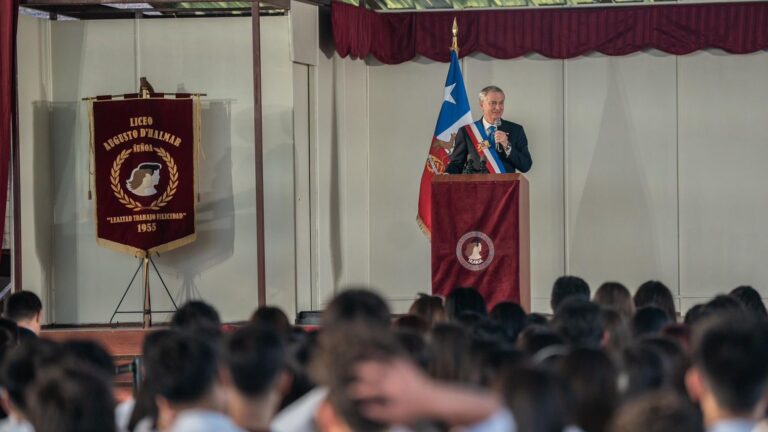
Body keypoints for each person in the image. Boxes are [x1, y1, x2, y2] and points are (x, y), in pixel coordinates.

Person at [445, 85, 532, 174]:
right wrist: (446, 175)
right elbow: (456, 164)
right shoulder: (467, 131)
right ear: (482, 105)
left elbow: (525, 166)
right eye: (493, 103)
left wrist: (507, 146)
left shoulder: (516, 130)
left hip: (506, 187)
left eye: (501, 103)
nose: (498, 108)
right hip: (476, 186)